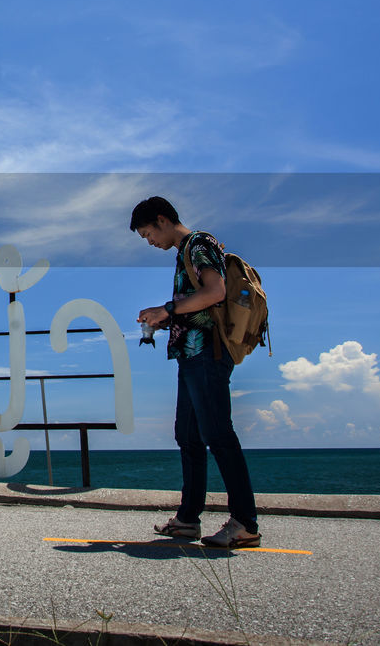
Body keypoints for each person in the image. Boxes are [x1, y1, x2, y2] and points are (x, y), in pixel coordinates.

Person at [130, 196, 260, 548]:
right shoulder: (185, 250)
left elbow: (215, 293)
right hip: (192, 356)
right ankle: (188, 519)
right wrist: (165, 318)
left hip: (208, 354)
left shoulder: (197, 243)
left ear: (162, 219)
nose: (149, 242)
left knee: (218, 434)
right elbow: (197, 304)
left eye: (147, 234)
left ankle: (245, 522)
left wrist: (167, 308)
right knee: (188, 437)